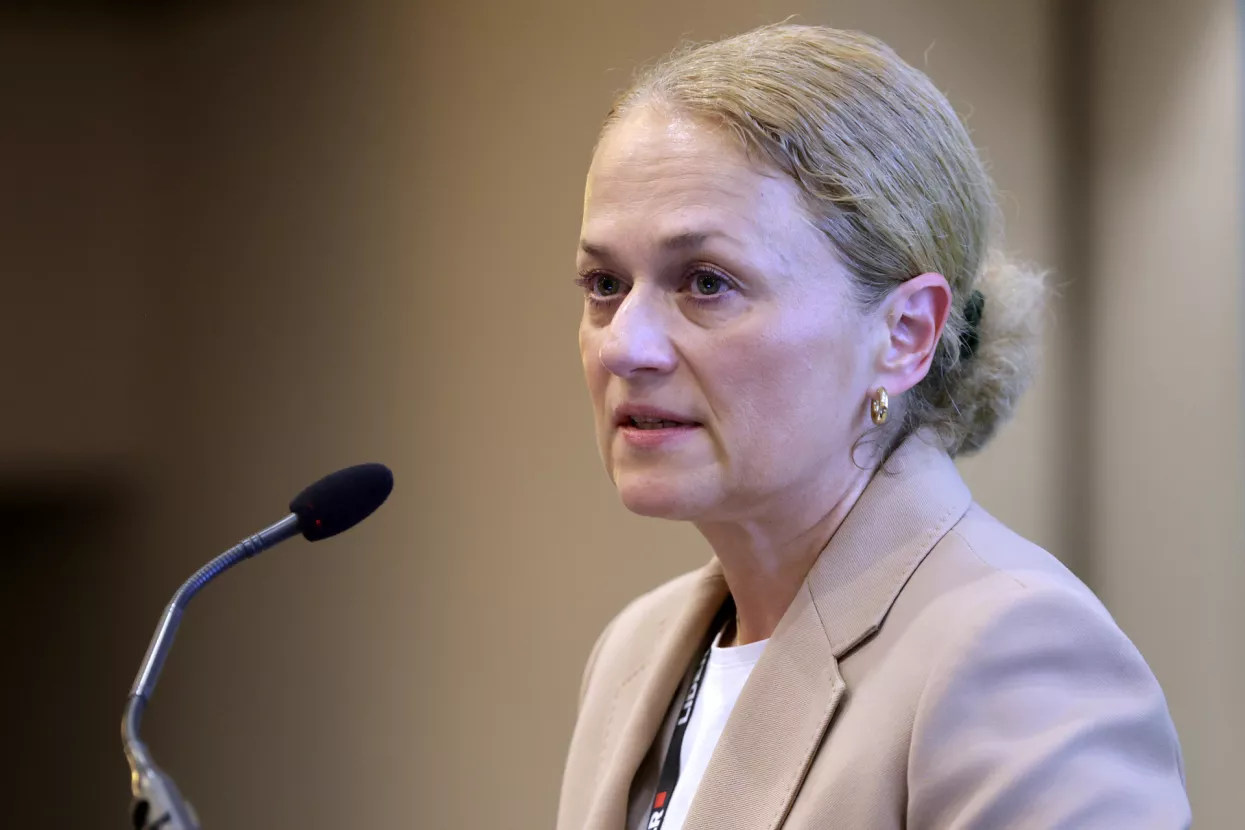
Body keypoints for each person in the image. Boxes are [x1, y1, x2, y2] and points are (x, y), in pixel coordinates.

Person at [556, 22, 1189, 830]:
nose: (624, 345)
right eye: (604, 283)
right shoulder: (634, 651)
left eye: (706, 283)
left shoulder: (1014, 653)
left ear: (904, 333)